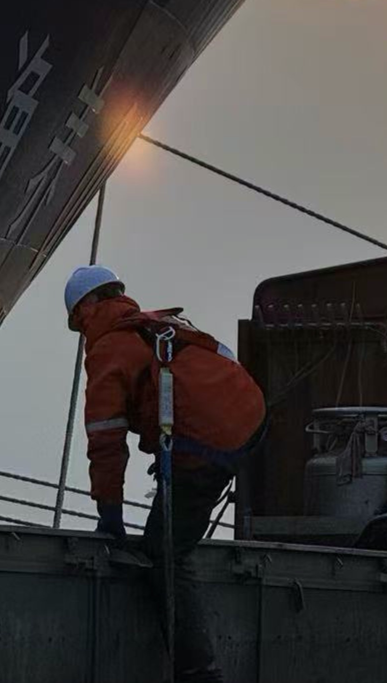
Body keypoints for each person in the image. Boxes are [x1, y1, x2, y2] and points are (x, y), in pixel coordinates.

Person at [65, 264, 266, 683]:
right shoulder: (159, 326)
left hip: (205, 444)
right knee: (172, 530)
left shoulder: (108, 349)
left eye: (78, 320)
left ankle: (199, 674)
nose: (82, 332)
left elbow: (105, 438)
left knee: (165, 555)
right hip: (249, 419)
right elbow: (221, 358)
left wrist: (110, 512)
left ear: (88, 305)